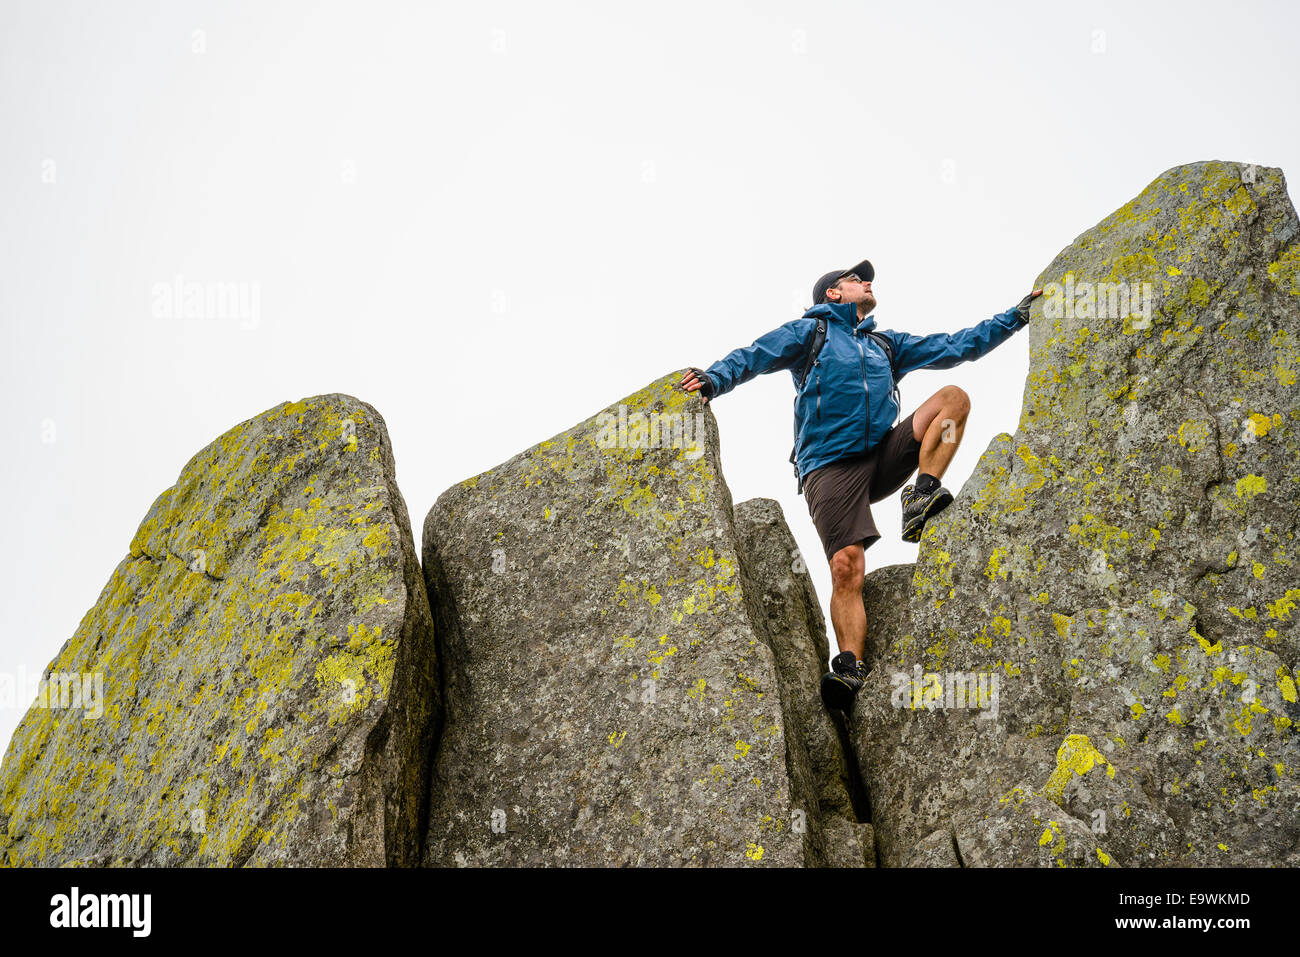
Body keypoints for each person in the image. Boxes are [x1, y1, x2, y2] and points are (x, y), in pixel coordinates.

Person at [681, 258, 1040, 713]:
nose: (866, 282)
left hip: (882, 455)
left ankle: (922, 493)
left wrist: (1017, 316)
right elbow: (755, 355)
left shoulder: (886, 345)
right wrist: (714, 379)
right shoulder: (810, 333)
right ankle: (850, 666)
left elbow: (958, 345)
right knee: (847, 566)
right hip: (829, 467)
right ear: (833, 293)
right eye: (856, 279)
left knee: (954, 400)